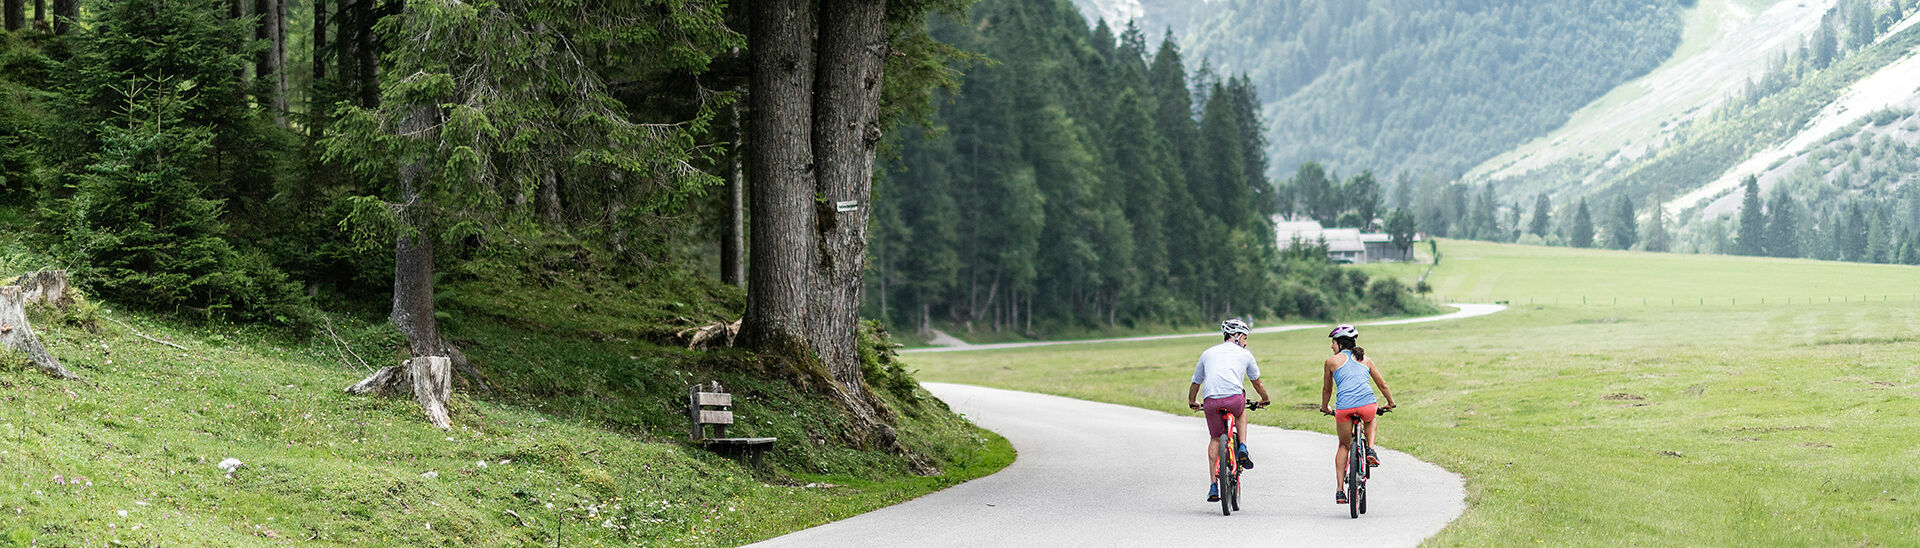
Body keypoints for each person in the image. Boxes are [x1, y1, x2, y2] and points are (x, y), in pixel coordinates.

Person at [1188, 319, 1271, 502]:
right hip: (1234, 399)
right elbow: (1257, 383)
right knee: (1241, 412)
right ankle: (1242, 446)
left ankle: (1212, 485)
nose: (1246, 342)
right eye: (1245, 338)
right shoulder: (1245, 354)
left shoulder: (1207, 353)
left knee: (1216, 438)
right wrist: (1265, 399)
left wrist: (1192, 401)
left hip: (1210, 400)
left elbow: (1196, 382)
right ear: (1237, 336)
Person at [1318, 323, 1395, 504]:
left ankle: (1339, 491)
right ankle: (1370, 449)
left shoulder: (1331, 362)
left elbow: (1326, 390)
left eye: (1333, 342)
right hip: (1367, 405)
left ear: (1340, 343)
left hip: (1344, 408)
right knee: (1371, 418)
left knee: (1344, 446)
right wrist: (1390, 403)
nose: (1331, 346)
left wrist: (1325, 407)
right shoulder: (1366, 360)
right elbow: (1382, 384)